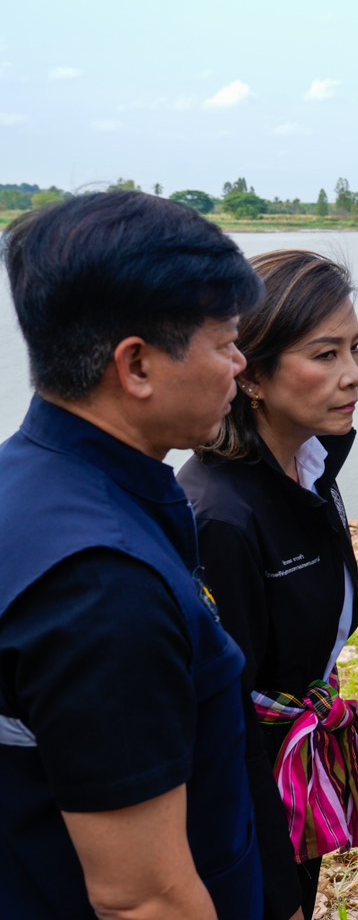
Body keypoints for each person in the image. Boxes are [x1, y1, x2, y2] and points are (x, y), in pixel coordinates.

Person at [0, 191, 265, 918]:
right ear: (137, 365)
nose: (240, 364)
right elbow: (144, 898)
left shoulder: (31, 482)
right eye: (225, 342)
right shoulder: (101, 585)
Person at [179, 249, 358, 920]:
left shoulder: (311, 467)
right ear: (249, 373)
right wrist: (273, 888)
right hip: (245, 801)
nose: (353, 373)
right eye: (325, 354)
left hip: (291, 768)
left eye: (356, 348)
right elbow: (224, 733)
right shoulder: (220, 517)